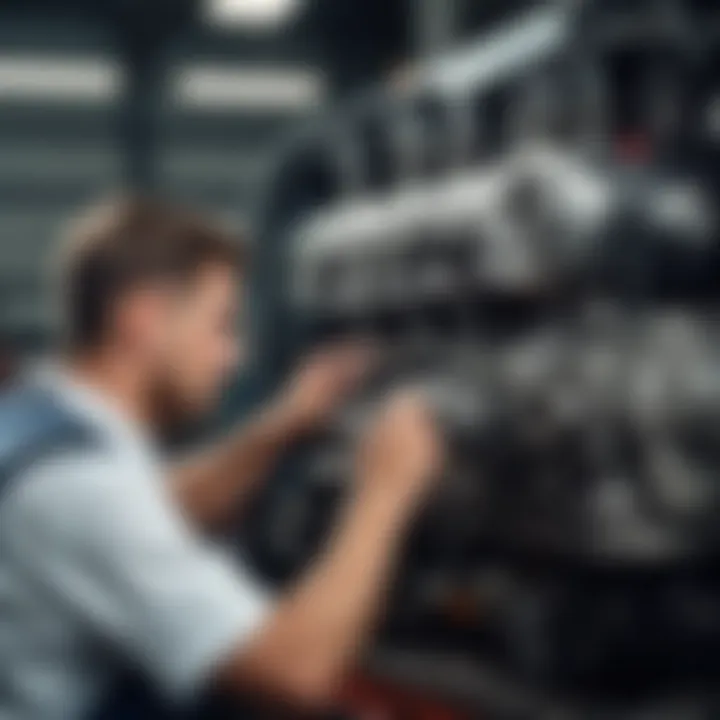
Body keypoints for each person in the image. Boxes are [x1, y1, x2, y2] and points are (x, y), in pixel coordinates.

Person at [0, 197, 445, 720]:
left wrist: (280, 427)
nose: (233, 357)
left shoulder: (38, 420)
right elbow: (295, 674)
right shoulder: (83, 487)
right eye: (221, 325)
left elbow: (159, 506)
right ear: (143, 319)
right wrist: (385, 490)